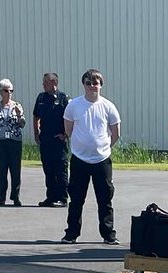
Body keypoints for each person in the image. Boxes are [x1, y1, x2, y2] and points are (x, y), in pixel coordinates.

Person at [61, 69, 120, 245]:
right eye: (89, 83)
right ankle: (71, 234)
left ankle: (108, 234)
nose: (92, 86)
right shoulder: (74, 105)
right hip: (79, 159)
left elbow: (116, 132)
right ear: (83, 85)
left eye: (96, 83)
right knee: (76, 199)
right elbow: (68, 130)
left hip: (102, 159)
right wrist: (82, 145)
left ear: (101, 85)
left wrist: (104, 147)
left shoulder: (108, 106)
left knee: (105, 199)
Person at [32, 72, 68, 207]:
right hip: (45, 140)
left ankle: (62, 198)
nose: (43, 84)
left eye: (45, 82)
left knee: (61, 170)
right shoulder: (41, 98)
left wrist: (65, 134)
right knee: (48, 170)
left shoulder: (63, 98)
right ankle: (50, 197)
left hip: (58, 141)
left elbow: (71, 118)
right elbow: (35, 116)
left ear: (54, 83)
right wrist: (36, 133)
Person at [0, 78, 24, 206]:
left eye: (11, 91)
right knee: (1, 170)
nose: (9, 93)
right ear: (1, 91)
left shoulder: (17, 106)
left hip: (14, 141)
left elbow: (22, 124)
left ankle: (15, 197)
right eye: (7, 91)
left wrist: (19, 115)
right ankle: (1, 197)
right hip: (0, 141)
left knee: (15, 170)